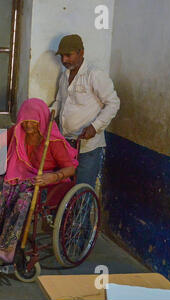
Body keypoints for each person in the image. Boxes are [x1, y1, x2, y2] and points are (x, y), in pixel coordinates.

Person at [0, 98, 78, 272]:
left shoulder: (53, 141)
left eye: (31, 122)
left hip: (43, 184)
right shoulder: (18, 131)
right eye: (24, 121)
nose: (27, 126)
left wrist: (53, 176)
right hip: (16, 178)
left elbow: (70, 169)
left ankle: (5, 251)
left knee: (23, 199)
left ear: (41, 120)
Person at [51, 34, 120, 188]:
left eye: (68, 55)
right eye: (62, 56)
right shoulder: (64, 75)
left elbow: (113, 103)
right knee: (64, 190)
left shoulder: (94, 74)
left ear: (81, 52)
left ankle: (83, 212)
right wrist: (47, 114)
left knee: (81, 192)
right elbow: (60, 102)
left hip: (88, 146)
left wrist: (95, 127)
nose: (64, 60)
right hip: (66, 143)